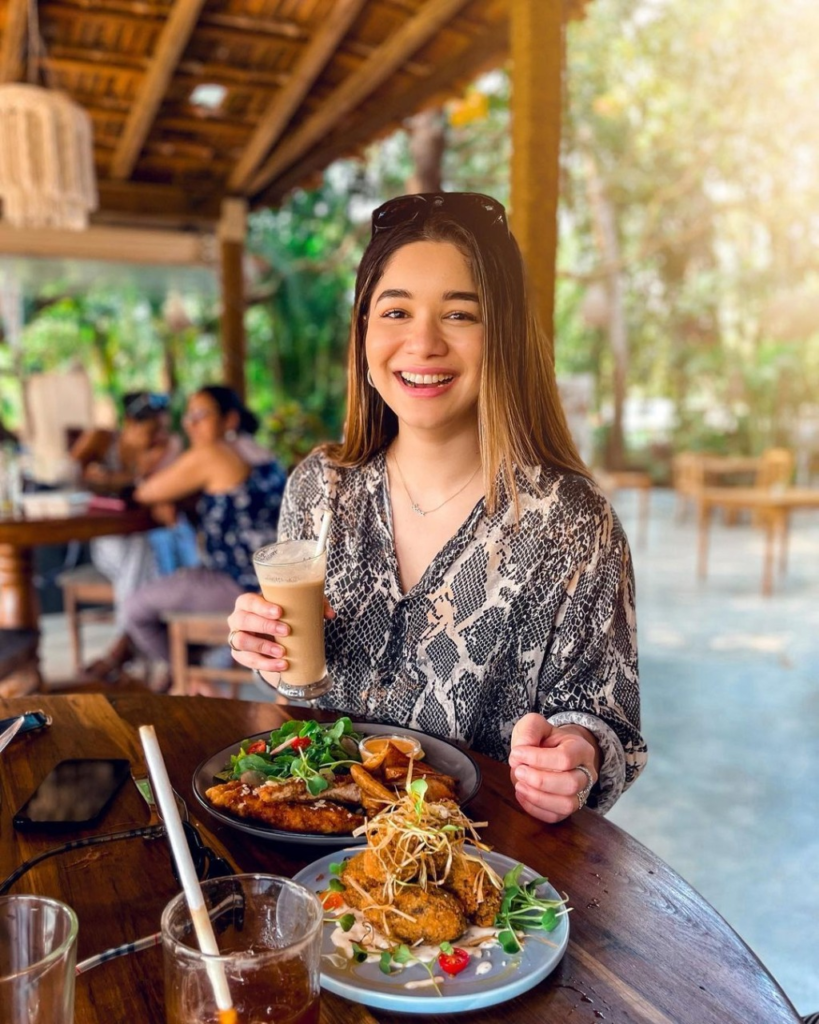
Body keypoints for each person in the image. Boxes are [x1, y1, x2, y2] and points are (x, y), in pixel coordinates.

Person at [226, 192, 647, 823]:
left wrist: (575, 755)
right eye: (395, 311)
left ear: (502, 338)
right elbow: (298, 693)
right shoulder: (320, 489)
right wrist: (268, 650)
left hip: (478, 857)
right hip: (312, 843)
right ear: (363, 334)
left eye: (459, 315)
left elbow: (601, 718)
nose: (422, 343)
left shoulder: (571, 522)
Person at [124, 385, 287, 684]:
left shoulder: (213, 454)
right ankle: (191, 670)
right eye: (188, 417)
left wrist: (163, 488)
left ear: (230, 420)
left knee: (134, 608)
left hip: (238, 582)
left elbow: (144, 492)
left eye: (201, 415)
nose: (191, 424)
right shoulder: (259, 452)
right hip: (272, 581)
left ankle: (191, 680)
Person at [70, 391, 182, 680]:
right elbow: (67, 473)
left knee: (149, 552)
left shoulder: (166, 448)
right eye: (152, 430)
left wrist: (119, 476)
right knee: (148, 557)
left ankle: (127, 645)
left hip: (148, 540)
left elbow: (163, 497)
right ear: (129, 423)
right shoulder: (103, 441)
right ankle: (168, 656)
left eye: (164, 428)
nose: (159, 436)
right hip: (109, 542)